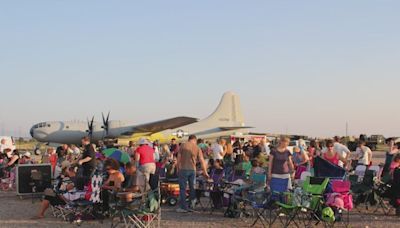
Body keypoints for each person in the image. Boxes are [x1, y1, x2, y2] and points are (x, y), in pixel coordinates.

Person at [176, 135, 209, 213]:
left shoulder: (183, 145)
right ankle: (192, 206)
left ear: (189, 139)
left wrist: (177, 168)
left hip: (183, 169)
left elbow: (178, 158)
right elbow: (202, 160)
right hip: (192, 170)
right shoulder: (197, 147)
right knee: (192, 188)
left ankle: (183, 207)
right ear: (195, 140)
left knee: (183, 189)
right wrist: (205, 172)